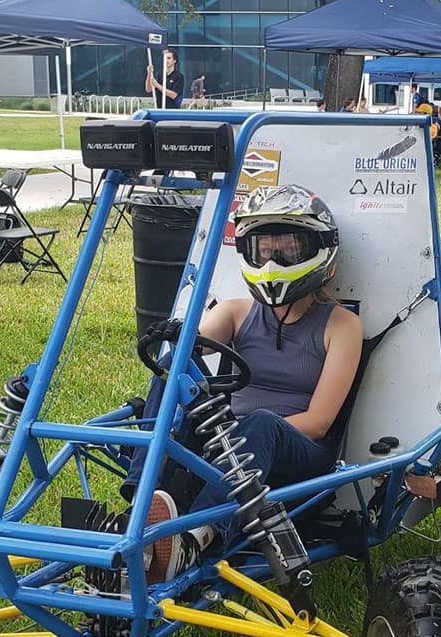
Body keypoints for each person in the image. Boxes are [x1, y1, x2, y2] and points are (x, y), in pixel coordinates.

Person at [121, 184, 362, 581]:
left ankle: (195, 538)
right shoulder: (236, 311)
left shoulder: (342, 325)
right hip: (231, 444)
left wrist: (239, 434)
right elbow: (191, 347)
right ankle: (140, 503)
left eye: (288, 248)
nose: (273, 259)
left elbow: (319, 422)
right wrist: (182, 342)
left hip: (300, 454)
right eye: (264, 249)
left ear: (318, 249)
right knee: (173, 367)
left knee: (263, 423)